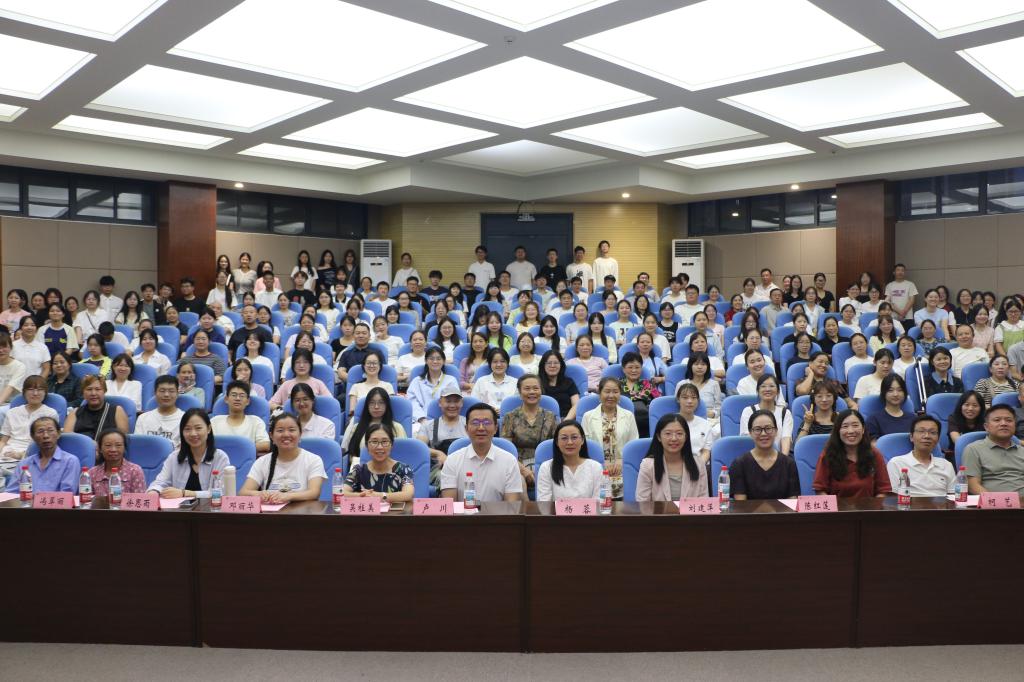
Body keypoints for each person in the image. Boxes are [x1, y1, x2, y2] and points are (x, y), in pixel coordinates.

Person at [440, 403, 522, 502]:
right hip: (462, 512)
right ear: (466, 429)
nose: (481, 428)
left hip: (498, 512)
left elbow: (511, 506)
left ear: (496, 428)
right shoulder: (452, 460)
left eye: (487, 422)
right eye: (475, 423)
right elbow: (449, 505)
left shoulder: (509, 461)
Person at [240, 413, 326, 502]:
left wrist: (287, 496)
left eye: (291, 430)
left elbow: (314, 493)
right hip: (271, 510)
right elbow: (243, 492)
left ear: (300, 434)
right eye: (280, 430)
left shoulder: (313, 460)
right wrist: (259, 494)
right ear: (271, 436)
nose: (286, 434)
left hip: (304, 510)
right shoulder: (262, 462)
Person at [147, 408, 230, 498]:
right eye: (187, 429)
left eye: (198, 428)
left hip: (210, 506)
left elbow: (222, 492)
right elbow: (160, 482)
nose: (193, 433)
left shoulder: (220, 457)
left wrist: (186, 493)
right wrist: (154, 491)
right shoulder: (174, 457)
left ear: (208, 429)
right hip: (178, 507)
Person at [812, 409, 891, 498]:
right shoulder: (828, 455)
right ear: (838, 431)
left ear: (863, 429)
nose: (851, 431)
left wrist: (874, 506)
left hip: (868, 506)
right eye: (845, 426)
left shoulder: (874, 454)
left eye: (855, 425)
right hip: (836, 507)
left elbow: (883, 490)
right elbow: (820, 490)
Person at [581, 377, 638, 500]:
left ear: (620, 394)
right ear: (599, 393)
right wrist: (602, 463)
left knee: (623, 505)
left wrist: (622, 461)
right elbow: (585, 447)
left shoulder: (628, 416)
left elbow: (633, 445)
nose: (611, 395)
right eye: (607, 391)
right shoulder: (588, 417)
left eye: (615, 391)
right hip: (596, 468)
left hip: (622, 468)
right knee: (600, 504)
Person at [500, 374, 557, 489]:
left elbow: (557, 447)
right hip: (517, 467)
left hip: (546, 466)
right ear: (520, 392)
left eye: (535, 388)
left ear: (541, 391)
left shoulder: (550, 416)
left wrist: (544, 469)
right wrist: (524, 471)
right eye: (527, 388)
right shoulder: (510, 417)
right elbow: (506, 451)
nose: (532, 392)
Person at [731, 410, 801, 500]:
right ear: (750, 433)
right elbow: (741, 505)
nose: (763, 433)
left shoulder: (789, 464)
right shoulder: (739, 464)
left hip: (783, 510)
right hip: (749, 510)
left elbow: (793, 502)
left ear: (776, 431)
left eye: (768, 428)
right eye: (757, 429)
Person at [636, 414, 707, 502]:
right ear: (659, 437)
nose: (674, 438)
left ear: (686, 437)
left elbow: (703, 501)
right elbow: (643, 503)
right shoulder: (647, 465)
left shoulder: (698, 464)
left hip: (690, 511)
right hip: (657, 511)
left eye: (679, 433)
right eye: (668, 434)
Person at [3, 416, 78, 493]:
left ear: (58, 434)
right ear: (33, 437)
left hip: (56, 501)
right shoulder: (24, 464)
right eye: (40, 431)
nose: (46, 436)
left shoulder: (70, 461)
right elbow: (11, 493)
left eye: (50, 430)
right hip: (25, 501)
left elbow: (67, 495)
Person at [885, 415, 955, 497]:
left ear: (938, 439)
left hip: (941, 504)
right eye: (921, 431)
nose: (927, 436)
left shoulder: (946, 465)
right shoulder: (896, 463)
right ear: (911, 437)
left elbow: (953, 496)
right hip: (908, 504)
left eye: (932, 432)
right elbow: (893, 497)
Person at [343, 423, 415, 501]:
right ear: (367, 446)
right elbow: (341, 493)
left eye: (384, 442)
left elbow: (408, 494)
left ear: (391, 445)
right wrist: (361, 496)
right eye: (374, 442)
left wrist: (379, 496)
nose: (380, 447)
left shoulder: (403, 469)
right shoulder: (358, 470)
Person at [535, 420, 603, 502]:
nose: (570, 442)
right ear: (557, 442)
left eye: (574, 437)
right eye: (564, 438)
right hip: (555, 511)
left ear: (582, 440)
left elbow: (599, 501)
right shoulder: (546, 467)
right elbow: (544, 503)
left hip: (588, 511)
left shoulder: (595, 467)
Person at [963, 404, 1024, 494]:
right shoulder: (973, 449)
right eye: (997, 420)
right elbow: (972, 485)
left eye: (1009, 420)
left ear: (1015, 425)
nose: (1004, 423)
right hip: (992, 501)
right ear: (986, 427)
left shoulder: (1022, 451)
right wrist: (995, 500)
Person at [0, 376, 58, 462]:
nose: (35, 393)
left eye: (40, 390)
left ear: (45, 392)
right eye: (31, 389)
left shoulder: (50, 413)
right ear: (24, 392)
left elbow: (49, 442)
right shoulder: (12, 412)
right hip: (7, 453)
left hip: (34, 454)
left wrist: (21, 455)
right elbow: (3, 441)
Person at [416, 386, 466, 486]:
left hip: (467, 468)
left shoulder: (470, 423)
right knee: (446, 478)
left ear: (461, 403)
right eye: (448, 401)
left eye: (456, 401)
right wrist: (438, 453)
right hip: (439, 470)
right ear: (440, 403)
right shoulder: (428, 425)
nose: (452, 405)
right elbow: (419, 448)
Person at [342, 387, 407, 463]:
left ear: (387, 405)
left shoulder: (397, 427)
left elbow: (403, 454)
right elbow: (351, 455)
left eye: (381, 403)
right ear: (367, 406)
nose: (376, 407)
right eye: (372, 403)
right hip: (362, 467)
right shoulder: (357, 427)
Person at [739, 374, 793, 455]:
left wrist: (782, 459)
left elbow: (786, 438)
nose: (767, 389)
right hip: (754, 456)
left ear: (778, 391)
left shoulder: (785, 413)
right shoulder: (748, 411)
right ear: (758, 390)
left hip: (778, 456)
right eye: (763, 386)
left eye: (772, 386)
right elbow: (747, 440)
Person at [211, 380, 270, 453]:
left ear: (248, 401)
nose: (237, 398)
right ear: (226, 399)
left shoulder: (256, 421)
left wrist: (238, 449)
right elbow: (205, 443)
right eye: (234, 395)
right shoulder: (215, 421)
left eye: (242, 396)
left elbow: (265, 445)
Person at [64, 375, 129, 438]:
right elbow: (68, 437)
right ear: (83, 393)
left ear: (104, 391)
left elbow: (122, 439)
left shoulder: (117, 411)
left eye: (98, 389)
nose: (93, 393)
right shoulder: (75, 412)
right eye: (89, 389)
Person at [88, 428, 146, 497]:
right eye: (108, 445)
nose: (113, 449)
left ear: (124, 448)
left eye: (118, 445)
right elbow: (86, 500)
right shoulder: (92, 473)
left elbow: (139, 500)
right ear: (100, 449)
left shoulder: (135, 471)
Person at [408, 347, 458, 425]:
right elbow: (412, 402)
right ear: (426, 361)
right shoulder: (417, 381)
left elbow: (454, 403)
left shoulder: (451, 381)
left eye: (438, 359)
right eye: (431, 359)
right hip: (421, 421)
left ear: (444, 361)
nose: (435, 361)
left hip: (445, 420)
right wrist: (422, 419)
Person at [619, 352, 660, 438]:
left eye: (637, 367)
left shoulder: (648, 384)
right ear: (623, 369)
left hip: (645, 424)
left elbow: (658, 403)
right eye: (630, 367)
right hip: (621, 423)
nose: (634, 370)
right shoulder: (616, 384)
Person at [866, 374, 914, 442]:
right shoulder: (874, 420)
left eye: (899, 390)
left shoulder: (913, 418)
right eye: (890, 390)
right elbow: (874, 445)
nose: (895, 394)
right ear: (884, 393)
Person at [674, 382, 714, 462]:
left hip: (698, 464)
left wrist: (697, 466)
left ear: (698, 401)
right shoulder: (668, 422)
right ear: (678, 399)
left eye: (693, 397)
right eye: (685, 397)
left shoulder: (705, 424)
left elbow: (706, 451)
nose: (689, 401)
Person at [347, 350, 393, 418]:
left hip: (383, 420)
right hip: (361, 420)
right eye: (368, 363)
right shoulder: (355, 387)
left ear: (380, 365)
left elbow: (390, 409)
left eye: (375, 363)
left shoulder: (388, 386)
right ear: (364, 365)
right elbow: (352, 412)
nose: (371, 366)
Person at [684, 352, 722, 419]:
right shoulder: (682, 384)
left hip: (709, 419)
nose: (699, 367)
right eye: (696, 364)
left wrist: (713, 414)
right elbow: (677, 406)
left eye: (703, 364)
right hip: (687, 418)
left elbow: (718, 407)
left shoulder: (714, 384)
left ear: (707, 367)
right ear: (690, 366)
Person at [885, 263, 917, 328]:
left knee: (908, 334)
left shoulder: (910, 284)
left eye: (902, 270)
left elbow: (912, 300)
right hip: (893, 316)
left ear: (904, 273)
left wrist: (903, 313)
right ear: (894, 272)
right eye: (898, 270)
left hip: (908, 317)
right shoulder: (889, 285)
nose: (900, 272)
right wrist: (900, 312)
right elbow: (888, 301)